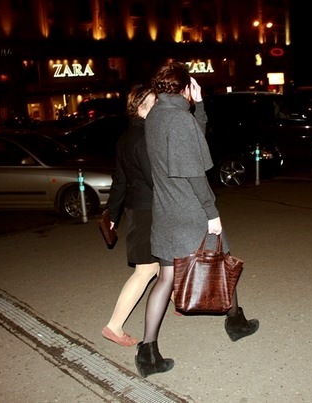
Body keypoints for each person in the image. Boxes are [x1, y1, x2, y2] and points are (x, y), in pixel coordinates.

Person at [135, 61, 259, 378]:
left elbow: (193, 141)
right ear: (184, 87)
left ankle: (147, 352)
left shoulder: (156, 116)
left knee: (165, 278)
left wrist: (199, 106)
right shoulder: (179, 119)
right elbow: (194, 172)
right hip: (189, 211)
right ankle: (236, 323)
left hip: (165, 211)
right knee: (221, 260)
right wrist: (211, 213)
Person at [101, 84, 158, 347]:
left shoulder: (125, 138)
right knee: (145, 270)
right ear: (142, 107)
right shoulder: (144, 137)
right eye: (155, 103)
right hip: (149, 210)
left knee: (162, 262)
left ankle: (176, 299)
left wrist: (112, 213)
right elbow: (155, 179)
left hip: (136, 209)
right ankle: (114, 326)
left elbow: (120, 180)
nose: (159, 107)